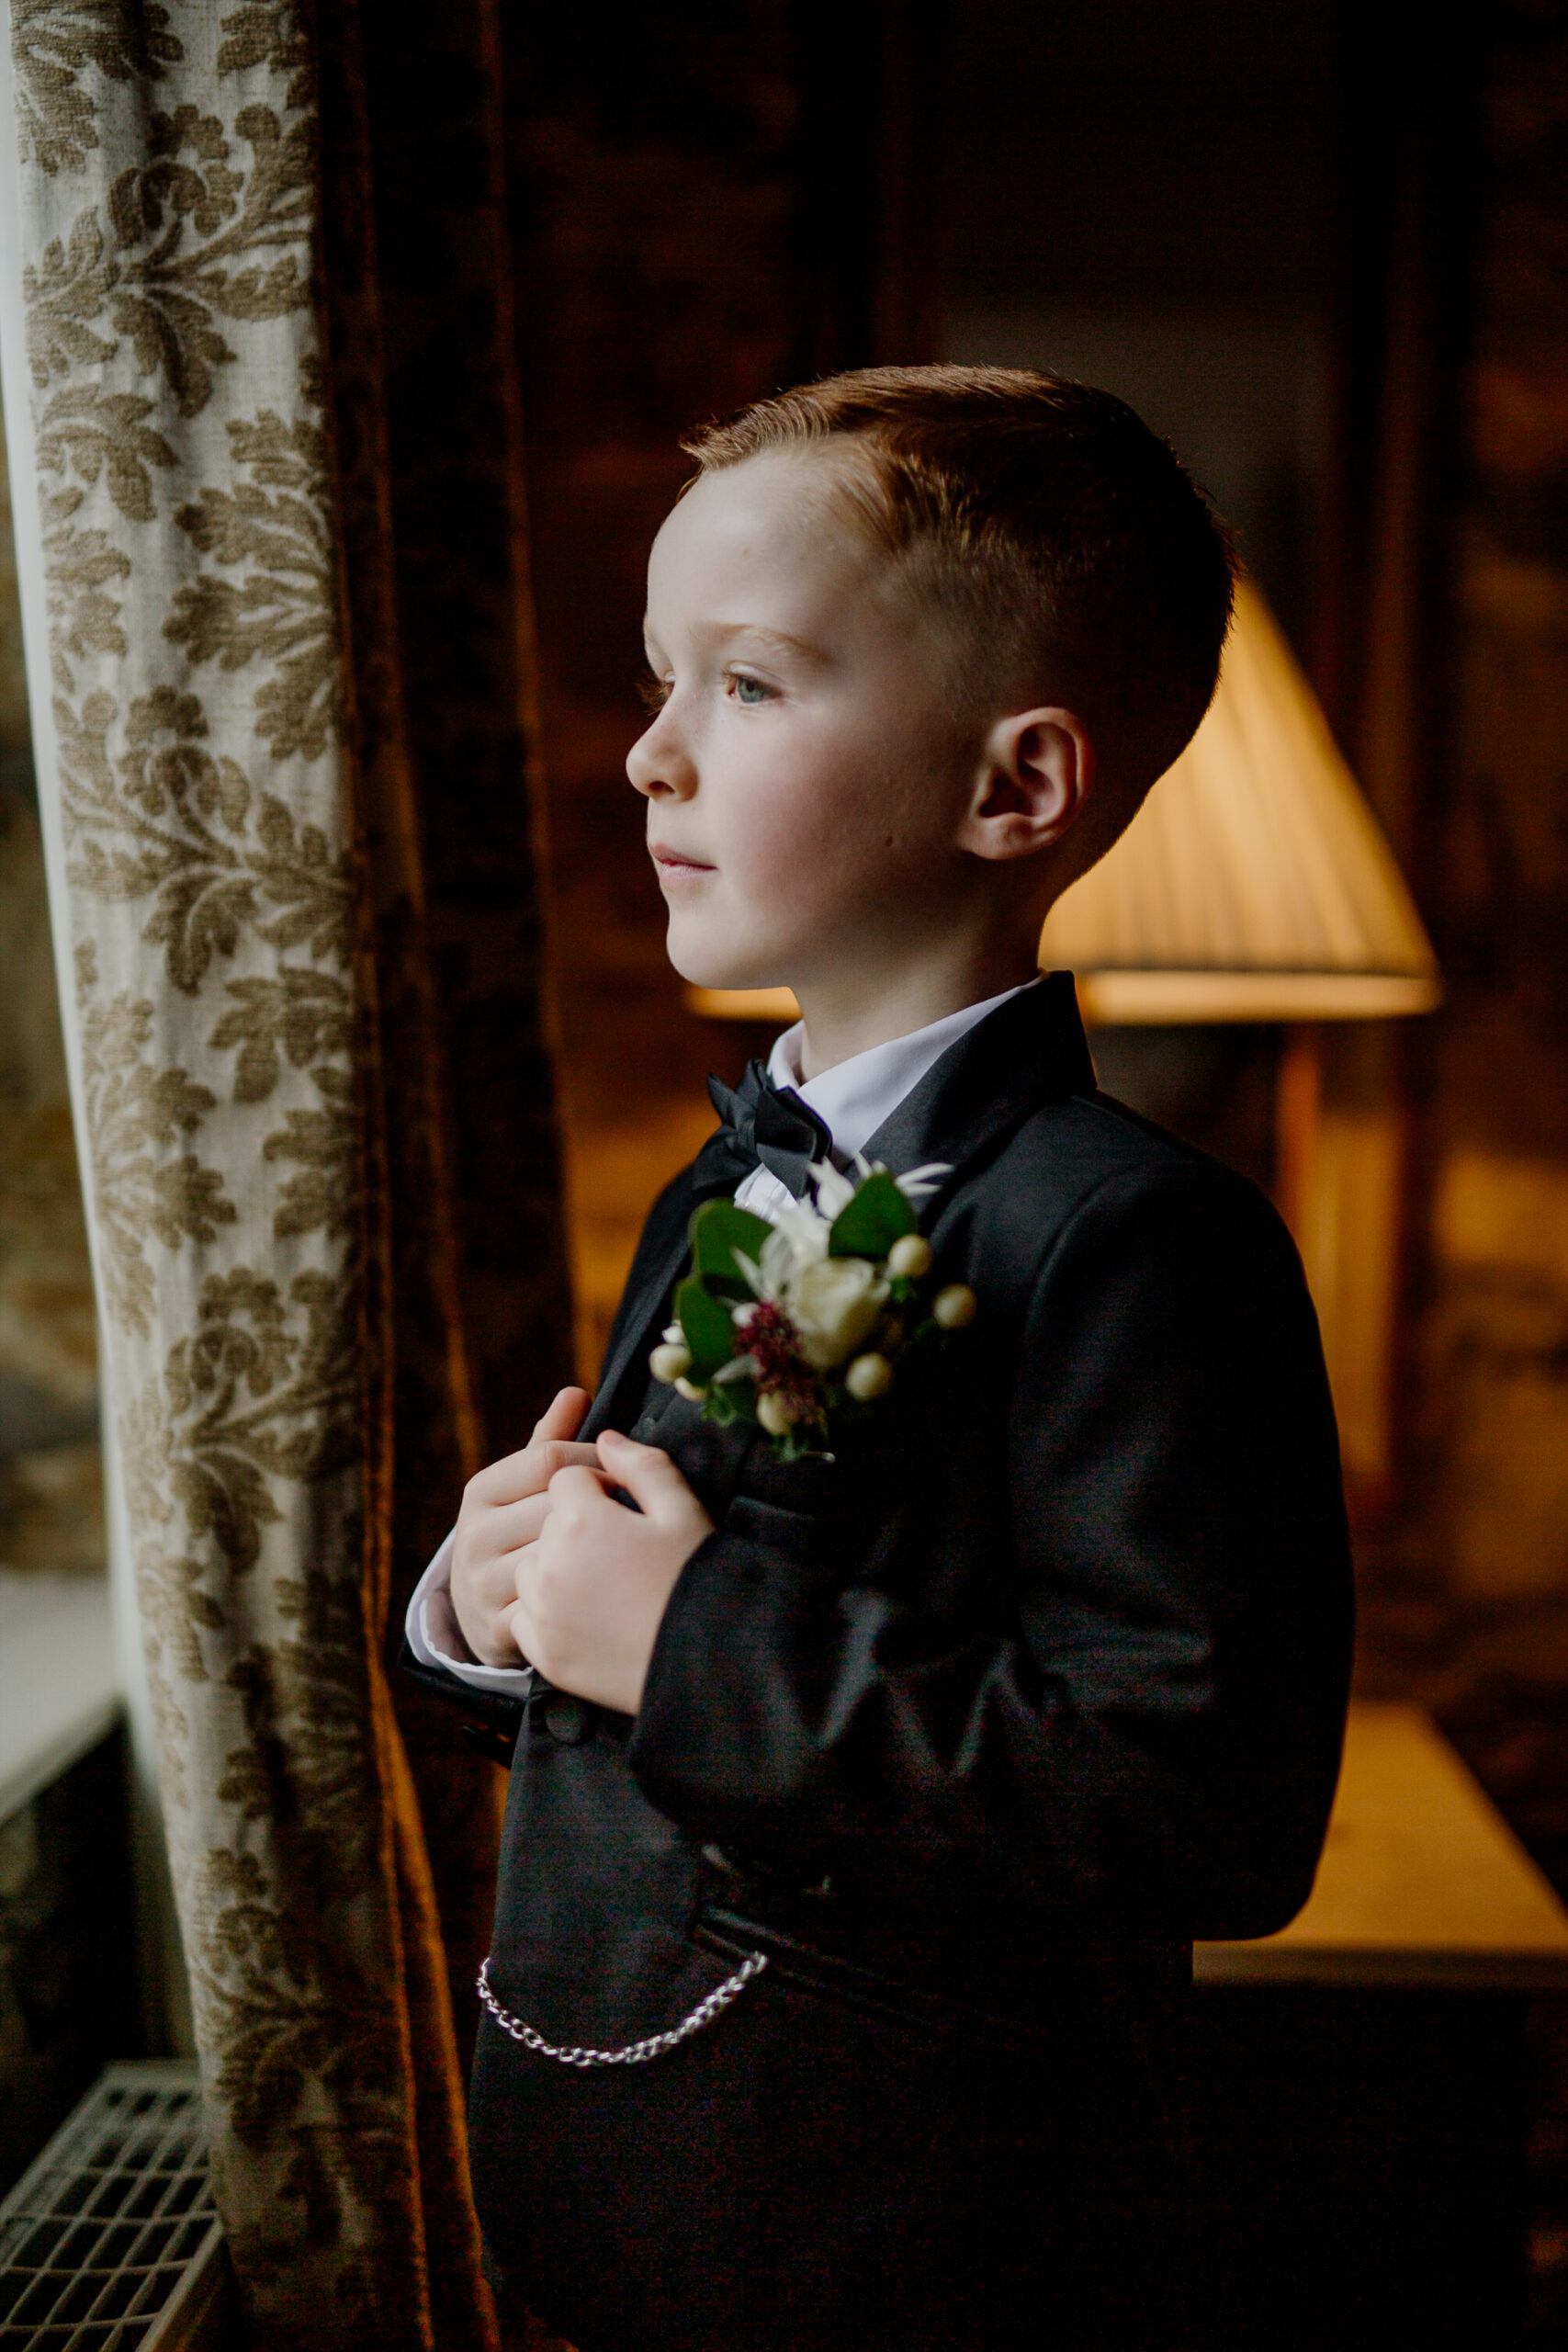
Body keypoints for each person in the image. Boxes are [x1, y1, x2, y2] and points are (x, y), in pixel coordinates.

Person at [402, 365, 1354, 2351]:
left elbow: (1194, 1809)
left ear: (1016, 785)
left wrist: (676, 1633)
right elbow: (669, 1644)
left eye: (744, 684)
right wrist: (498, 1607)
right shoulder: (728, 1170)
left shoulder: (1134, 1238)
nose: (651, 753)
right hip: (610, 2180)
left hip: (901, 2242)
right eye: (657, 679)